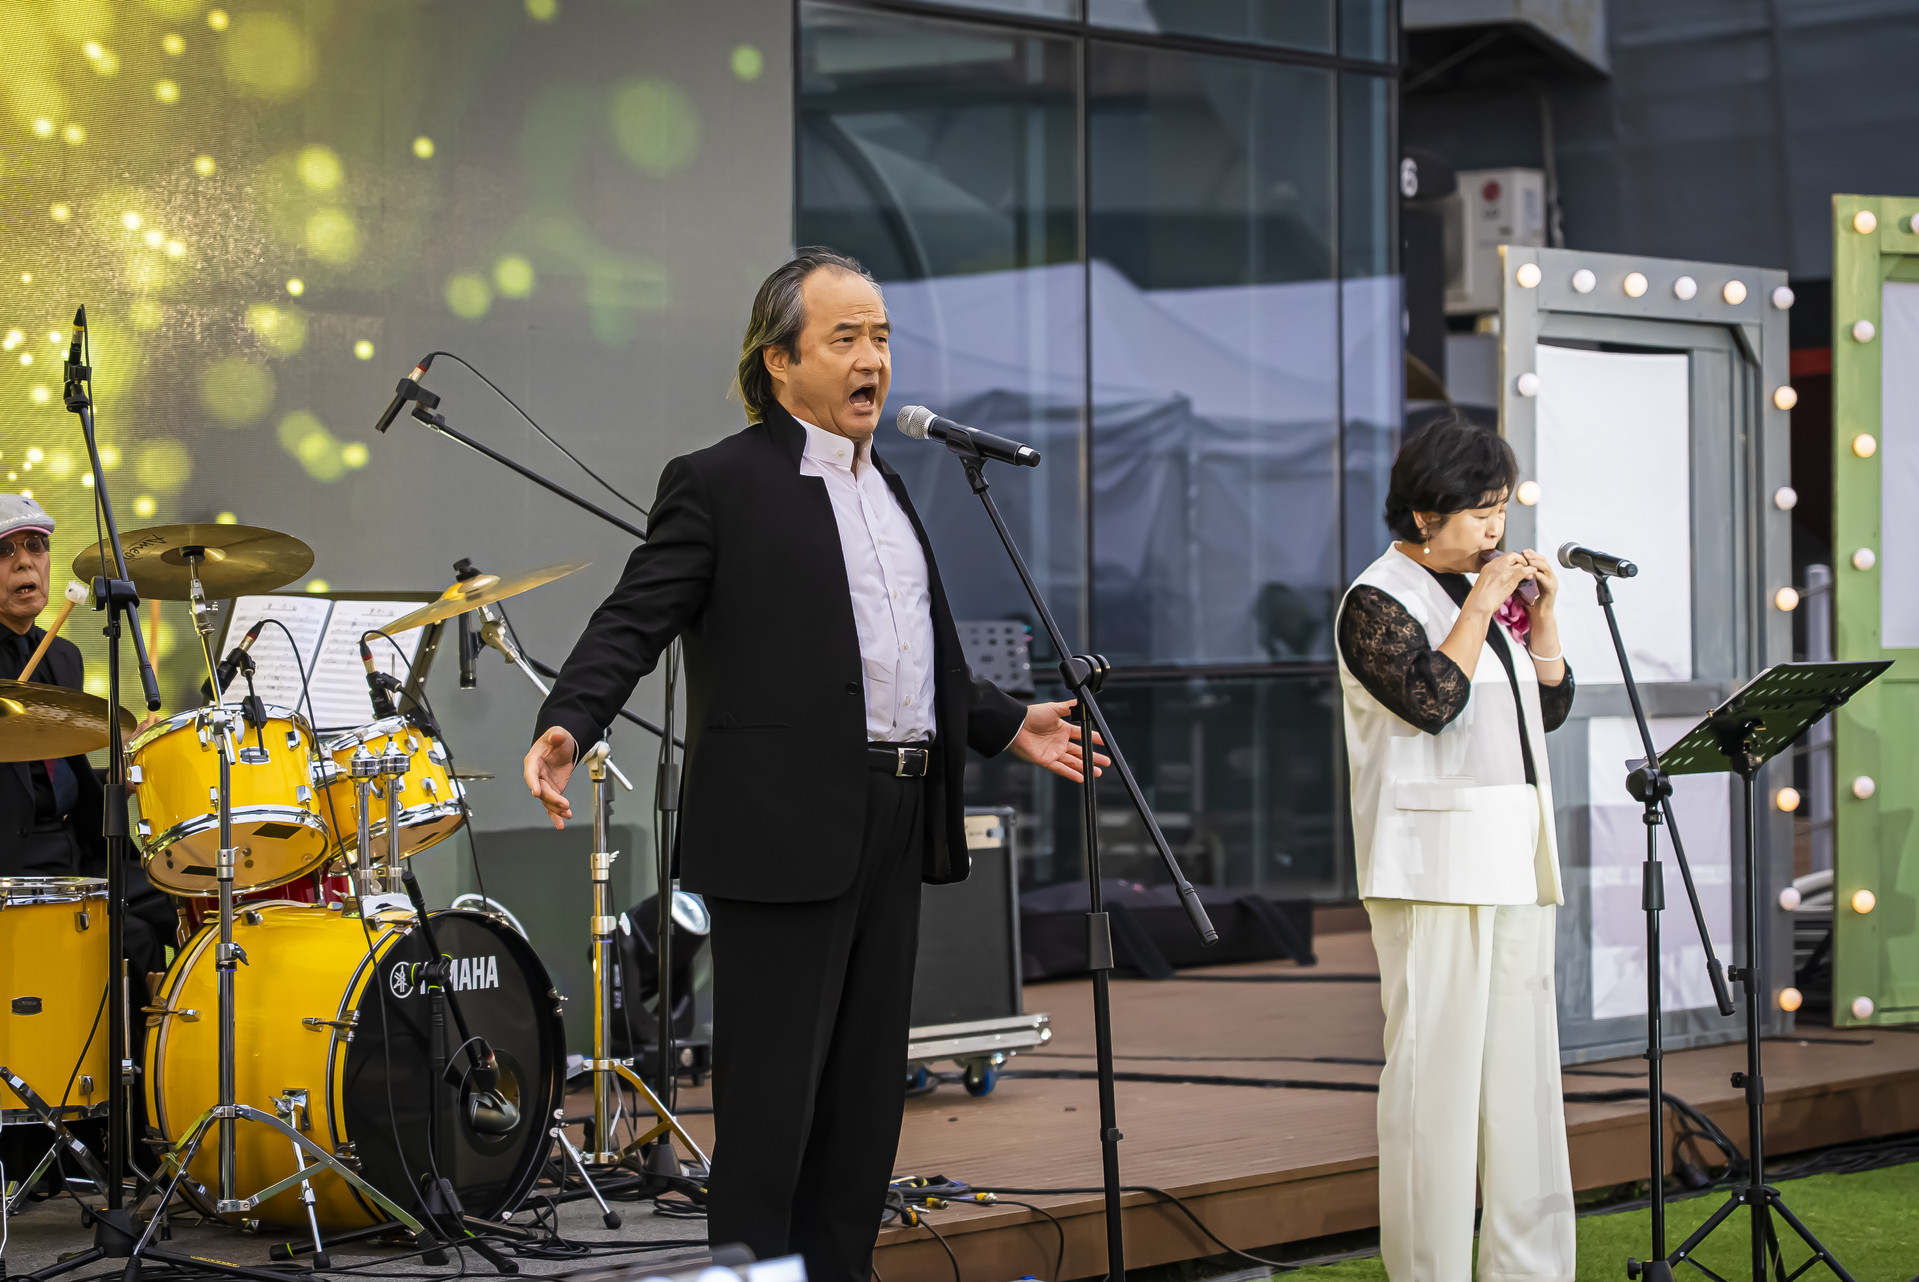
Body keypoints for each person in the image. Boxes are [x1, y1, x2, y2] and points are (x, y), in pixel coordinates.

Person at [523, 248, 1104, 1282]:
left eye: (880, 336)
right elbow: (633, 617)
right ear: (779, 360)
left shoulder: (890, 489)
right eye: (845, 338)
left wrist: (1002, 722)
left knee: (864, 1095)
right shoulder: (718, 482)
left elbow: (909, 656)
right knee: (773, 1100)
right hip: (780, 827)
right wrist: (572, 718)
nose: (871, 357)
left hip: (896, 815)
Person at [1334, 413, 1577, 1282]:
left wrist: (1540, 622)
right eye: (1479, 512)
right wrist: (1480, 604)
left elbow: (1546, 710)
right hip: (1428, 866)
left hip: (1510, 852)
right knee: (1432, 1089)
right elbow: (1431, 701)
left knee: (1522, 1083)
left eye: (1501, 509)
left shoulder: (1488, 594)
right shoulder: (1374, 599)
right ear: (1423, 513)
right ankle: (1428, 1271)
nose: (1495, 530)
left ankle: (1530, 1269)